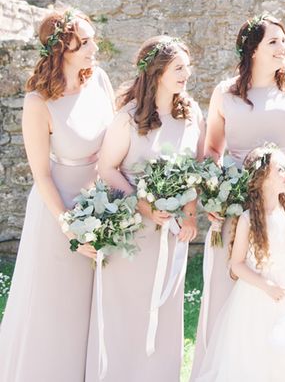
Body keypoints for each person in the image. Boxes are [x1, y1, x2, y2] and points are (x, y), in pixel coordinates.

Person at [190, 14, 285, 377]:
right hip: (238, 208)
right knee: (229, 289)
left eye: (284, 40)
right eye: (274, 42)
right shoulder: (225, 93)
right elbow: (213, 151)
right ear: (252, 50)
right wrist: (213, 196)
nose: (284, 48)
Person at [0, 9, 115, 382]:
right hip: (57, 212)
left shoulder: (99, 80)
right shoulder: (38, 102)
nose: (94, 47)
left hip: (103, 205)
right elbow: (41, 175)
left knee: (95, 305)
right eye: (86, 41)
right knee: (55, 309)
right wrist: (69, 227)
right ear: (62, 47)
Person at [85, 36, 204, 382]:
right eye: (178, 67)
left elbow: (193, 168)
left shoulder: (191, 113)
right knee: (128, 312)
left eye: (187, 67)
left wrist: (191, 213)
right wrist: (142, 203)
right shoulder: (128, 118)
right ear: (157, 72)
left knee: (165, 311)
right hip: (133, 231)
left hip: (173, 232)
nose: (186, 74)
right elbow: (106, 168)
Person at [196, 146, 285, 382]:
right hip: (257, 297)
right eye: (280, 169)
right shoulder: (248, 219)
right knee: (257, 357)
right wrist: (266, 285)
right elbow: (237, 264)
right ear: (261, 177)